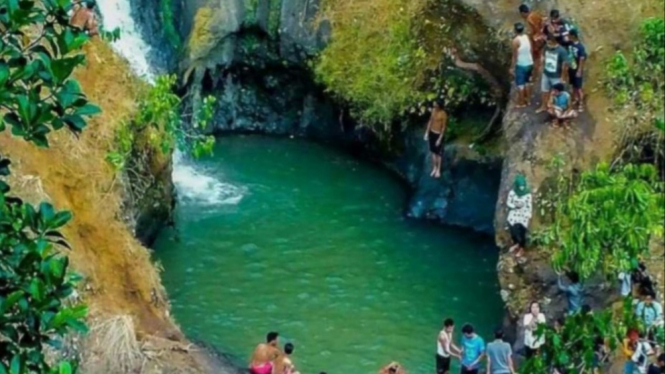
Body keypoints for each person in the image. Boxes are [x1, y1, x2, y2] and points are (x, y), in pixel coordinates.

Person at [536, 35, 569, 114]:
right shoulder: (546, 48)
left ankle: (558, 111)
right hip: (546, 73)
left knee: (557, 93)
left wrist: (563, 77)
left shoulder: (562, 51)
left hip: (556, 76)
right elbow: (543, 55)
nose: (547, 43)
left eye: (549, 42)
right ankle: (544, 106)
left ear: (554, 42)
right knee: (544, 90)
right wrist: (541, 64)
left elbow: (565, 64)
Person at [506, 174, 532, 258]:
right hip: (514, 213)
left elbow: (529, 205)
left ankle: (522, 248)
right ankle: (516, 244)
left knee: (522, 232)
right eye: (520, 186)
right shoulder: (512, 193)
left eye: (522, 186)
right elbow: (508, 203)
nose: (521, 188)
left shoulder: (527, 194)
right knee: (513, 230)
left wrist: (528, 214)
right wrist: (514, 206)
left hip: (523, 214)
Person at [518, 4, 545, 79]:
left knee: (535, 56)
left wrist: (535, 36)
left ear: (523, 13)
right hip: (542, 36)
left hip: (537, 39)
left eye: (521, 14)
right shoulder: (534, 14)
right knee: (538, 54)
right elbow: (542, 21)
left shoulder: (529, 19)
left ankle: (535, 73)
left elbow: (535, 29)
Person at [511, 22, 534, 108]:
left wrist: (512, 67)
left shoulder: (515, 41)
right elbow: (531, 49)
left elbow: (514, 56)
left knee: (520, 85)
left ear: (515, 30)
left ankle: (521, 102)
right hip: (529, 63)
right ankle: (528, 100)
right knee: (527, 82)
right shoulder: (527, 37)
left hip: (521, 65)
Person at [423, 99, 448, 178]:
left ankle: (438, 170)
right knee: (433, 151)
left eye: (436, 105)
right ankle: (434, 167)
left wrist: (440, 138)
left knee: (439, 153)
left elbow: (443, 127)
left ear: (439, 106)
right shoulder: (433, 111)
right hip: (432, 132)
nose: (434, 106)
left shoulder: (443, 114)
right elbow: (430, 121)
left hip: (438, 134)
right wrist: (427, 132)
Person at [567, 29, 587, 112]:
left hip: (577, 69)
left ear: (573, 36)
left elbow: (582, 59)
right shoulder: (570, 44)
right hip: (571, 68)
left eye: (569, 36)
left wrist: (579, 70)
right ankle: (575, 99)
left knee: (578, 87)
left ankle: (581, 103)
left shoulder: (580, 47)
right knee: (573, 85)